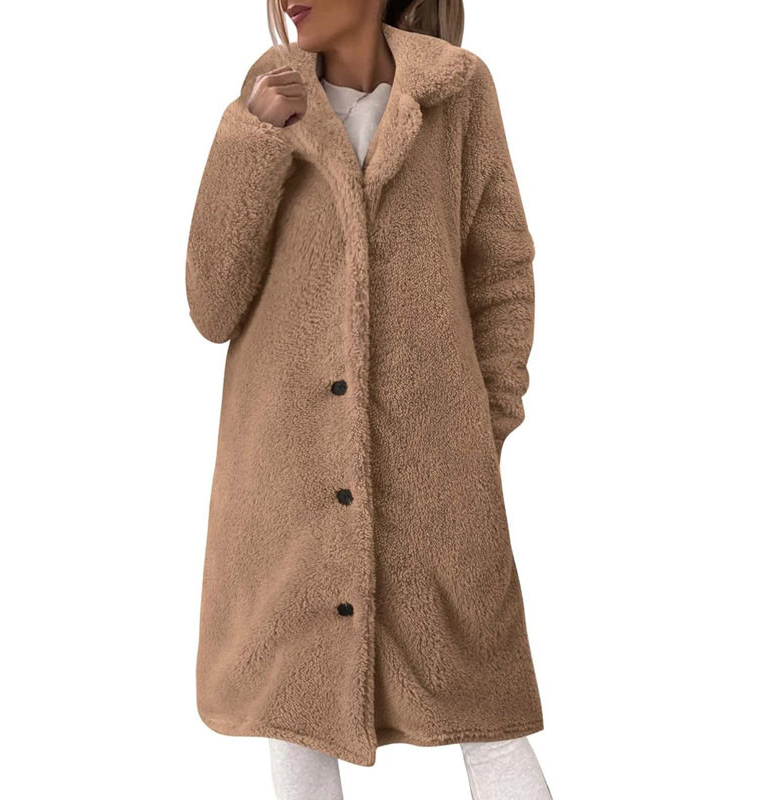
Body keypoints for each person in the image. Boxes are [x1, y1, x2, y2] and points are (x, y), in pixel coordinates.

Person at [186, 1, 552, 798]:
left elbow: (500, 271)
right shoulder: (269, 95)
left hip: (435, 475)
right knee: (296, 718)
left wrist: (479, 425)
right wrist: (251, 138)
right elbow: (212, 303)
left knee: (488, 715)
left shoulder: (458, 92)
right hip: (288, 478)